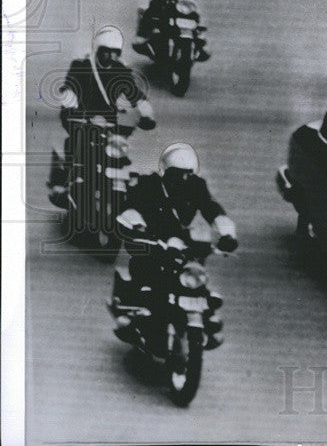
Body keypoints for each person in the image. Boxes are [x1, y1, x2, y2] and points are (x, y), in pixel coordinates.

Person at [110, 143, 237, 351]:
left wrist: (226, 233)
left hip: (183, 244)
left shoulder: (197, 186)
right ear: (166, 172)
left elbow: (211, 208)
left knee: (197, 282)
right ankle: (135, 318)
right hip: (152, 242)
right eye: (179, 174)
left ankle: (207, 319)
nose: (184, 179)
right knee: (145, 279)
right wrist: (137, 227)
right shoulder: (147, 185)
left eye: (188, 173)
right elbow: (130, 207)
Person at [47, 26, 156, 208]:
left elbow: (133, 93)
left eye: (115, 53)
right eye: (107, 52)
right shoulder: (82, 65)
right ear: (99, 50)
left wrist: (146, 111)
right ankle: (65, 183)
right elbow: (69, 85)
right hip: (79, 116)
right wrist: (69, 100)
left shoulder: (121, 70)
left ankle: (123, 186)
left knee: (118, 151)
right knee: (74, 145)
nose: (111, 57)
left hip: (108, 122)